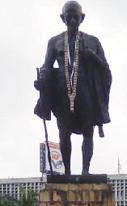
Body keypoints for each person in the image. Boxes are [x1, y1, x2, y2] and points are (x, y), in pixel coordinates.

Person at [34, 1, 111, 175]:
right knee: (64, 132)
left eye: (76, 17)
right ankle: (67, 172)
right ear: (63, 18)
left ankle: (85, 171)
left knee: (88, 130)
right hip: (62, 91)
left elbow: (105, 68)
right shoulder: (54, 42)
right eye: (69, 17)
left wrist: (92, 56)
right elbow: (46, 66)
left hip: (86, 90)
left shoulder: (93, 41)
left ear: (82, 18)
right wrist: (41, 80)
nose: (72, 21)